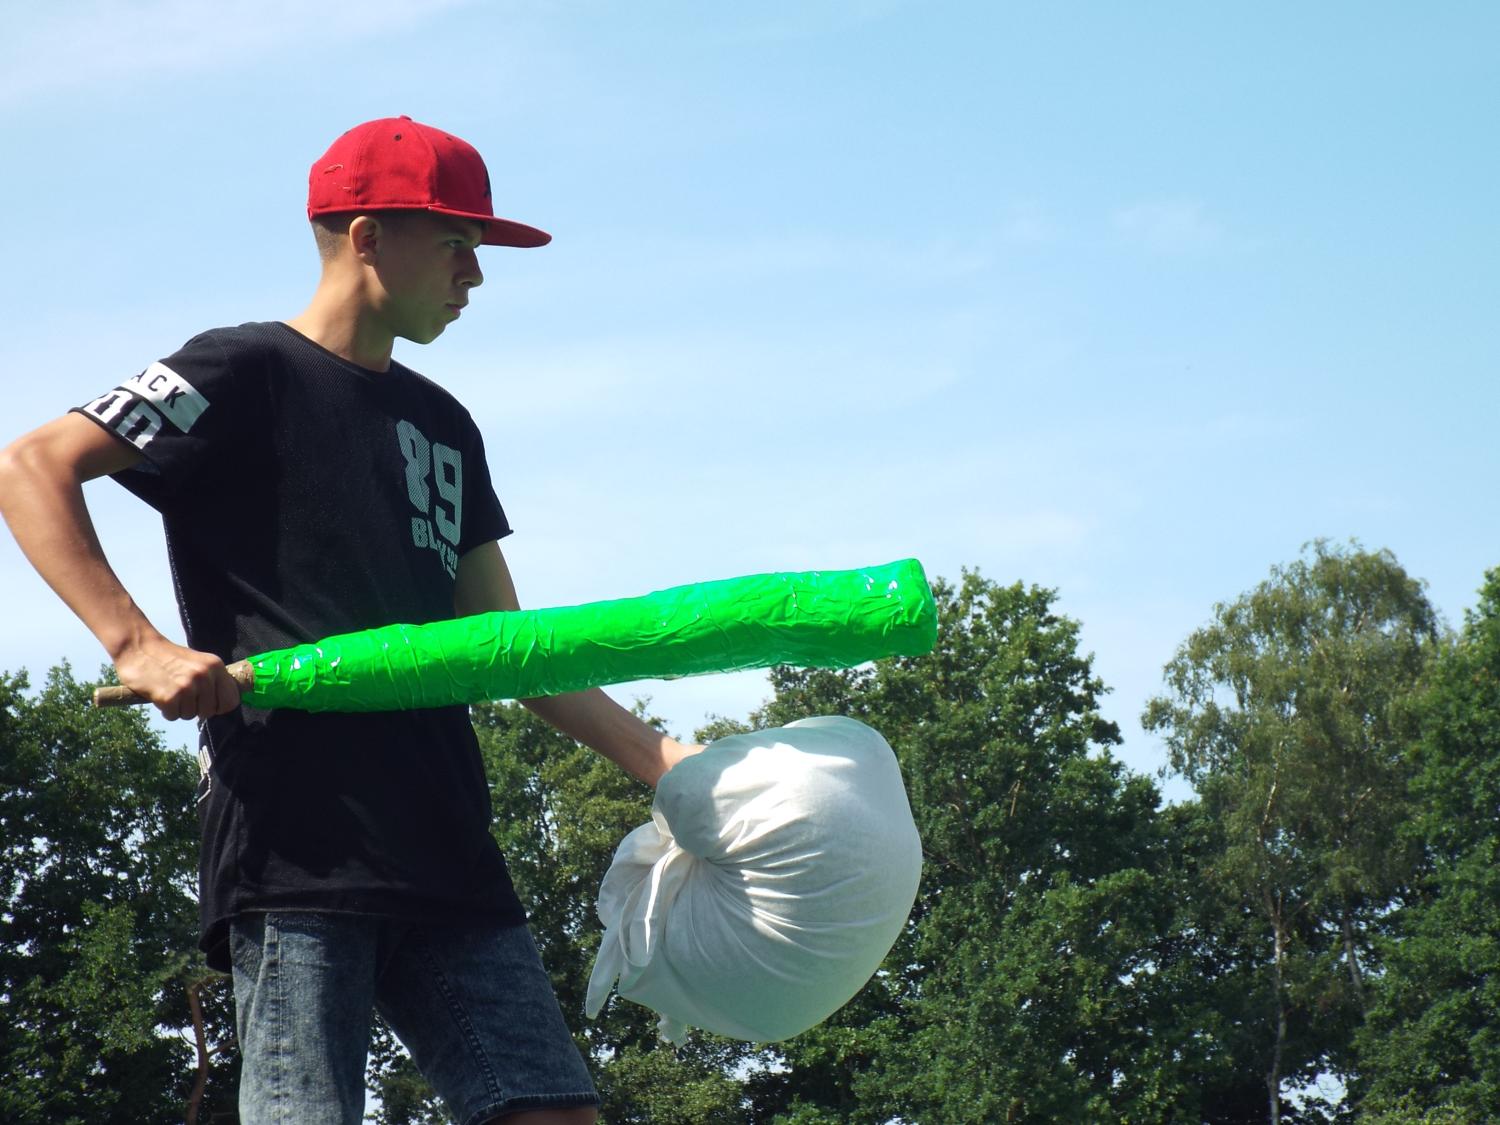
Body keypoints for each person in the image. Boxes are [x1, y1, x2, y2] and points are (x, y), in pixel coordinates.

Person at [0, 115, 700, 1125]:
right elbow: (32, 466)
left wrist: (664, 762)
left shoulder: (444, 425)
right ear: (368, 237)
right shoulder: (240, 372)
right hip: (299, 846)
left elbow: (504, 648)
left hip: (448, 844)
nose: (475, 275)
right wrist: (136, 643)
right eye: (456, 242)